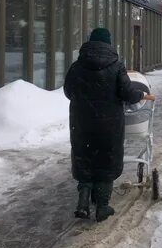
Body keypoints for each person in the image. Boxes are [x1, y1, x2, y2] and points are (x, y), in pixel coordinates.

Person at [64, 28, 155, 222]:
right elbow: (128, 94)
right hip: (109, 124)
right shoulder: (116, 66)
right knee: (106, 160)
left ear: (90, 43)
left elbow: (68, 91)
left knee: (85, 158)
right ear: (109, 44)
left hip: (81, 122)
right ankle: (102, 207)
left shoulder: (77, 66)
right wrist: (140, 95)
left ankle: (83, 203)